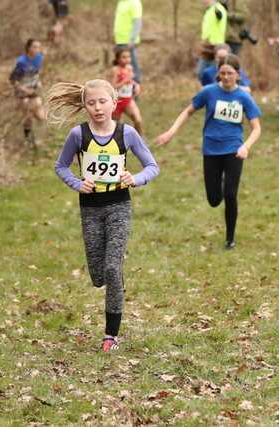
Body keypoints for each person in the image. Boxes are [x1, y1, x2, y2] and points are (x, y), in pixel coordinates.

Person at [50, 80, 159, 352]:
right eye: (91, 103)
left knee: (112, 268)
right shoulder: (78, 135)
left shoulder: (126, 133)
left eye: (102, 102)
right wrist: (77, 183)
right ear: (85, 106)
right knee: (99, 276)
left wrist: (135, 178)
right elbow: (61, 166)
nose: (97, 108)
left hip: (119, 206)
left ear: (114, 103)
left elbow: (152, 166)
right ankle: (114, 280)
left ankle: (111, 335)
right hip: (90, 208)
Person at [155, 54, 261, 250]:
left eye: (230, 73)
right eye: (222, 73)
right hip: (211, 149)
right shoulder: (209, 92)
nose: (226, 77)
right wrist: (171, 131)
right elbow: (188, 111)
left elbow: (256, 128)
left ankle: (230, 238)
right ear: (218, 73)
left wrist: (246, 146)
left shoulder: (244, 97)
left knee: (230, 194)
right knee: (213, 199)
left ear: (238, 75)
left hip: (234, 149)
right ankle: (221, 185)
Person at [10, 39, 46, 144]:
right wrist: (23, 89)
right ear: (28, 48)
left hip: (33, 91)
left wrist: (38, 82)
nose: (38, 49)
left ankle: (35, 137)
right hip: (22, 93)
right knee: (28, 116)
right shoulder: (21, 62)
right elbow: (12, 80)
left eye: (39, 47)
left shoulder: (39, 58)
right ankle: (28, 140)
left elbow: (37, 73)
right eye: (35, 47)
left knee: (41, 117)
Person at [110, 47, 143, 134]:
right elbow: (112, 87)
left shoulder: (129, 68)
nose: (127, 59)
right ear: (118, 59)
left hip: (128, 100)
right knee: (116, 127)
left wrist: (136, 85)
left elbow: (130, 80)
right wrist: (124, 81)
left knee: (138, 120)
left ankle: (138, 139)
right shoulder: (115, 70)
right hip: (117, 101)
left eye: (128, 57)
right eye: (124, 57)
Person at [114, 0, 143, 83]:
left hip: (128, 42)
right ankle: (122, 90)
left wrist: (132, 40)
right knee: (121, 70)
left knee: (132, 67)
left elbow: (137, 23)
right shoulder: (120, 2)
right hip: (119, 41)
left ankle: (135, 87)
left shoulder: (134, 2)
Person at [198, 0, 228, 77]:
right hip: (207, 45)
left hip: (217, 46)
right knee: (201, 73)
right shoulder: (209, 10)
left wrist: (218, 13)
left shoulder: (218, 8)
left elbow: (220, 16)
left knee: (213, 74)